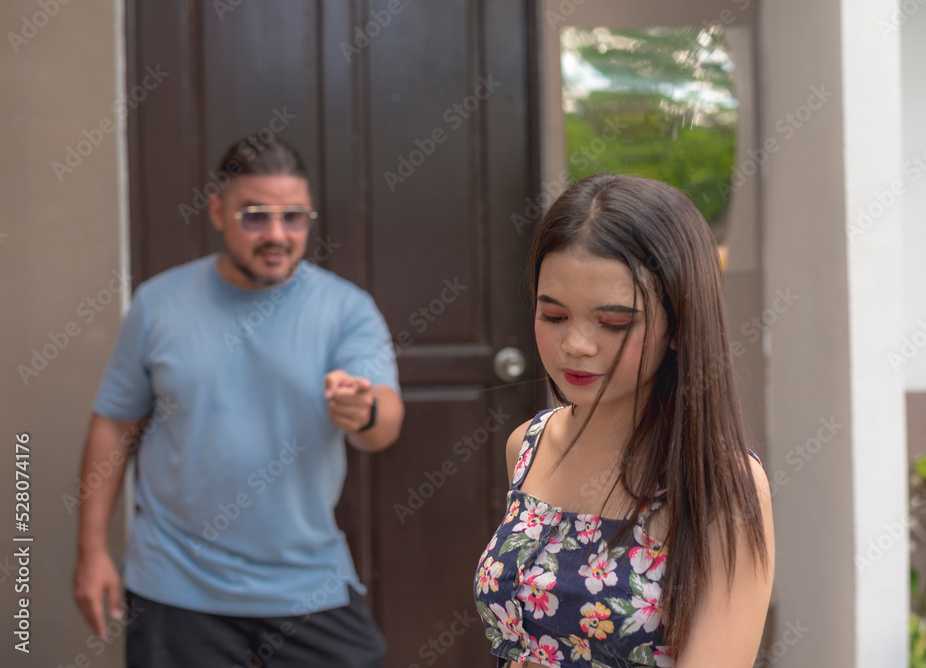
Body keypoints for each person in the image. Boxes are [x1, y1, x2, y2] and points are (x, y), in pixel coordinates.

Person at [72, 137, 404, 668]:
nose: (277, 234)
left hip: (305, 582)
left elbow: (383, 421)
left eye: (294, 217)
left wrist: (361, 411)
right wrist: (91, 551)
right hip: (176, 584)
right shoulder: (159, 304)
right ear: (218, 212)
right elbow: (114, 425)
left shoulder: (345, 309)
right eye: (256, 216)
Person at [473, 174, 774, 667]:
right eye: (553, 315)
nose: (577, 345)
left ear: (679, 325)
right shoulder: (527, 447)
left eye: (613, 323)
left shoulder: (721, 485)